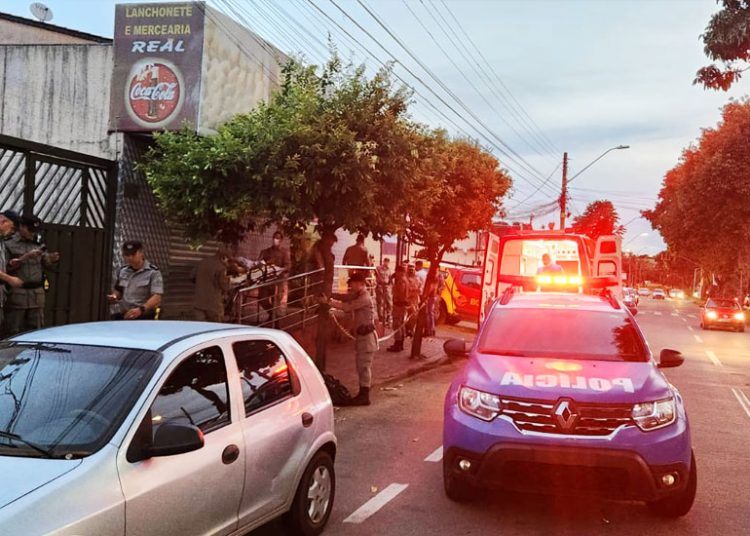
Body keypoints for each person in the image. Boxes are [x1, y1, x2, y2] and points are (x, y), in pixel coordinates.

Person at [3, 215, 60, 335]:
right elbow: (6, 268)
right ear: (22, 227)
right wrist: (25, 257)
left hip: (37, 295)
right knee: (13, 331)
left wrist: (52, 259)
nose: (32, 234)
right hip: (18, 295)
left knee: (36, 332)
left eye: (35, 231)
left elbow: (47, 265)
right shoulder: (9, 244)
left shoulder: (38, 243)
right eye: (30, 230)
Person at [329, 272, 378, 406]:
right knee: (361, 366)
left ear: (359, 283)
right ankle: (363, 393)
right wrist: (331, 295)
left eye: (352, 284)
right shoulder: (359, 295)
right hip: (362, 338)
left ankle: (364, 395)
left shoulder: (364, 298)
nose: (351, 286)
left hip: (367, 338)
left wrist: (329, 302)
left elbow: (348, 307)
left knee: (364, 367)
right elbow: (346, 297)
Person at [108, 240, 163, 320]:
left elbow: (157, 297)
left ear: (141, 253)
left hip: (144, 316)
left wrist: (141, 309)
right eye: (127, 255)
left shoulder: (153, 272)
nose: (130, 257)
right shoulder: (123, 271)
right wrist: (114, 297)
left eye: (133, 254)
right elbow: (119, 291)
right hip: (126, 315)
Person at [258, 231, 291, 323]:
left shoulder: (284, 252)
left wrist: (280, 269)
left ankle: (276, 322)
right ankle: (273, 315)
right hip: (266, 279)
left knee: (276, 301)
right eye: (274, 238)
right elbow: (259, 262)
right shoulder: (267, 251)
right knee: (262, 299)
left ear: (281, 240)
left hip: (278, 280)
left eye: (278, 238)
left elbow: (288, 266)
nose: (275, 240)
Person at [0, 210, 23, 333]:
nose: (13, 232)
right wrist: (9, 279)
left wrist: (8, 265)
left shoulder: (2, 242)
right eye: (13, 228)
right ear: (3, 221)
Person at [192, 247, 230, 322]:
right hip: (213, 305)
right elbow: (224, 285)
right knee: (215, 328)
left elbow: (192, 276)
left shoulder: (203, 262)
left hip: (198, 303)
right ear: (224, 257)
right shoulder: (221, 267)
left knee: (200, 328)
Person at [387, 264, 408, 352]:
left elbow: (400, 294)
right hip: (402, 305)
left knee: (397, 325)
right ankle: (400, 344)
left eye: (397, 271)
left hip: (399, 305)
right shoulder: (404, 280)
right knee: (401, 325)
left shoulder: (401, 281)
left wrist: (397, 301)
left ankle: (398, 344)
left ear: (399, 272)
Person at [375, 257, 392, 327]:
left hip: (386, 286)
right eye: (386, 261)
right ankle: (381, 317)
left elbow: (390, 278)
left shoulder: (389, 270)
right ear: (383, 261)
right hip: (380, 286)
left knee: (389, 302)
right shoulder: (378, 268)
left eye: (388, 262)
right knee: (380, 302)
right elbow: (375, 275)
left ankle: (388, 316)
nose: (387, 263)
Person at [405, 264, 422, 337]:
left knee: (414, 316)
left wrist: (418, 290)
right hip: (407, 300)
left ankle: (411, 330)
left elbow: (420, 289)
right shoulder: (405, 278)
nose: (411, 270)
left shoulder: (417, 278)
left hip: (415, 300)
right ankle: (407, 330)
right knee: (406, 317)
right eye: (410, 269)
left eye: (413, 269)